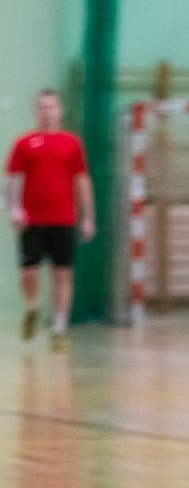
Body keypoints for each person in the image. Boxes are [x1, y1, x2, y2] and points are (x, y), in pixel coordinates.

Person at [6, 89, 93, 352]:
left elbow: (82, 180)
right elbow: (10, 178)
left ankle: (58, 330)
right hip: (32, 220)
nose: (47, 112)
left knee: (61, 274)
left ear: (59, 110)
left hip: (63, 219)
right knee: (29, 272)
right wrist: (13, 208)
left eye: (51, 107)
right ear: (36, 111)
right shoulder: (24, 143)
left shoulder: (72, 143)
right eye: (42, 107)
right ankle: (32, 307)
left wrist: (88, 217)